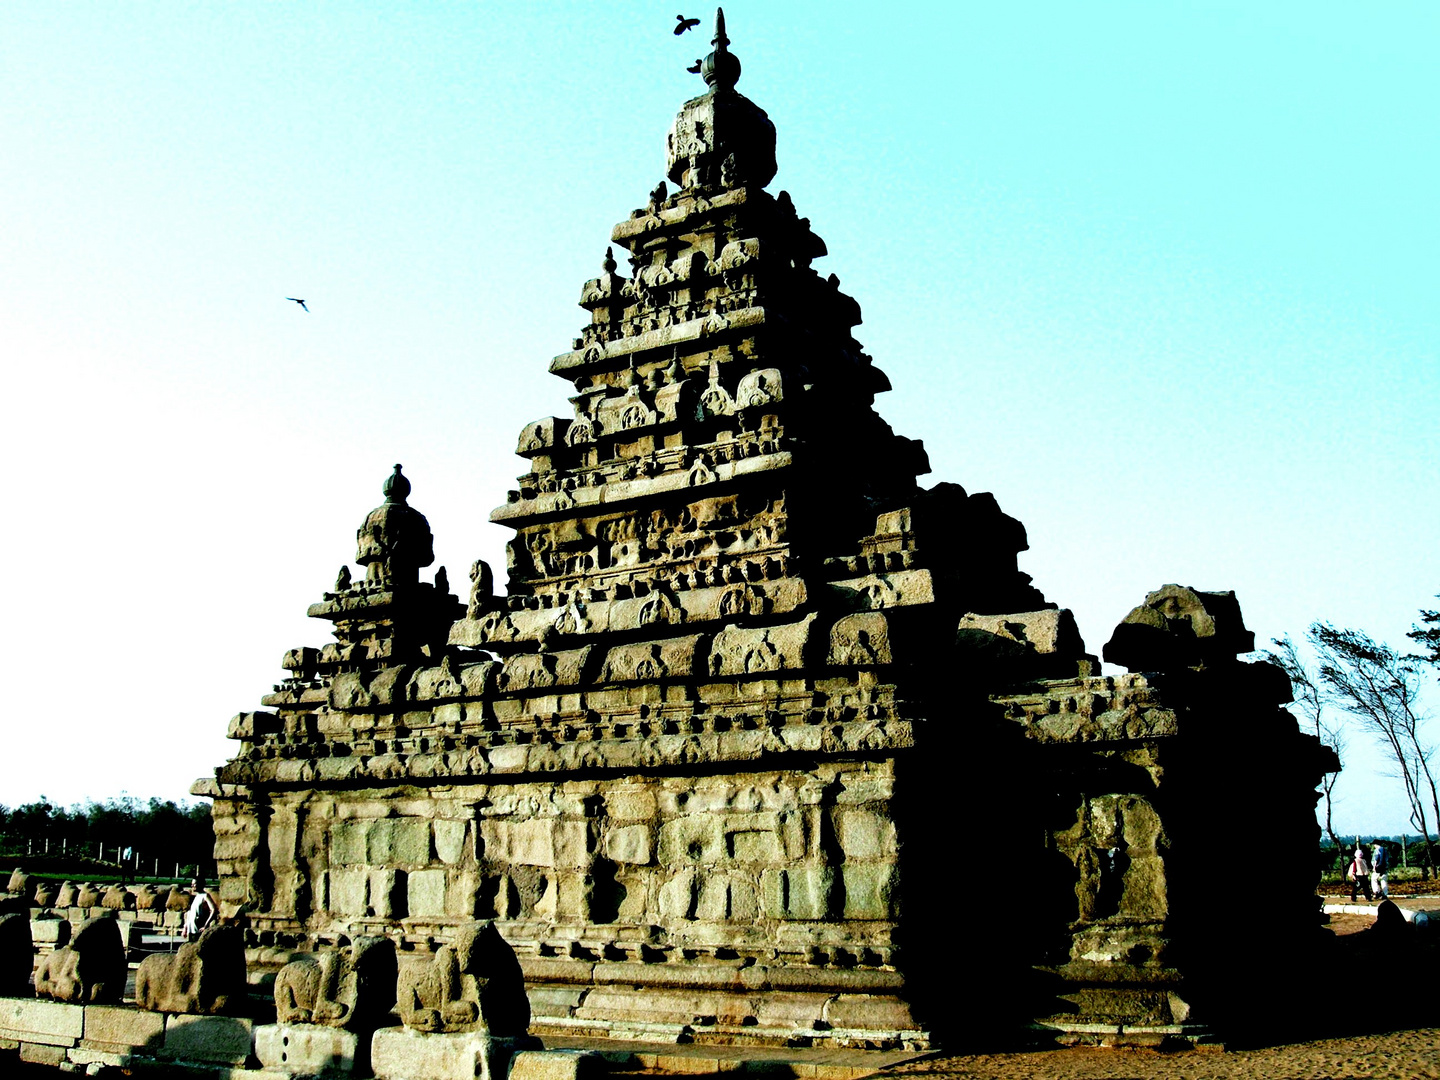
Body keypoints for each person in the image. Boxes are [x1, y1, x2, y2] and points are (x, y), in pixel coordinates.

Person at [183, 876, 218, 942]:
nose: (192, 885)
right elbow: (191, 913)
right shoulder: (196, 896)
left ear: (200, 884)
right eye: (192, 884)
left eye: (194, 884)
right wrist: (185, 927)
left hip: (198, 930)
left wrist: (205, 925)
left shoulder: (205, 896)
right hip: (191, 929)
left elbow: (213, 910)